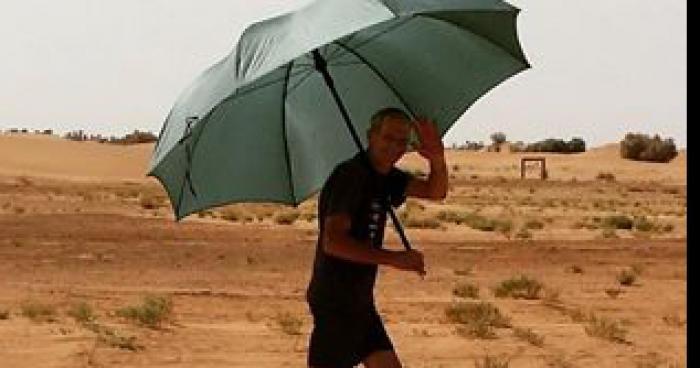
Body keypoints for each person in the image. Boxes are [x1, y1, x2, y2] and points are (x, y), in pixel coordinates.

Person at [306, 107, 448, 368]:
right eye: (388, 138)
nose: (394, 146)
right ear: (371, 136)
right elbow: (333, 242)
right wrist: (395, 259)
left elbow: (435, 191)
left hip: (358, 299)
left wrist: (437, 158)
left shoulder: (385, 177)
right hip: (336, 300)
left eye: (402, 141)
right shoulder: (350, 176)